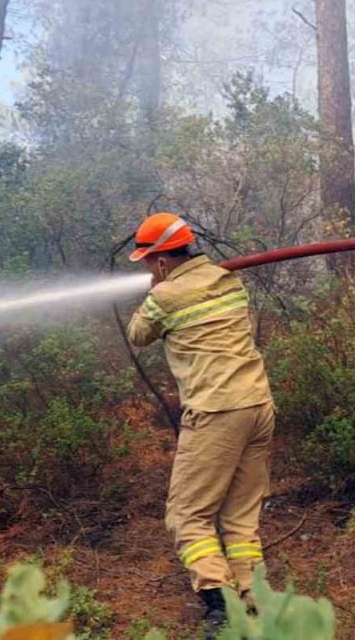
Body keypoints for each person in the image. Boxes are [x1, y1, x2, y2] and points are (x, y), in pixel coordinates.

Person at [126, 212, 276, 628]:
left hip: (216, 413)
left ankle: (219, 606)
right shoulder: (228, 279)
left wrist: (157, 291)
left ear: (159, 261)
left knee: (187, 515)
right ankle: (254, 601)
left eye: (147, 263)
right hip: (258, 406)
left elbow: (138, 334)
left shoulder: (164, 296)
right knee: (240, 515)